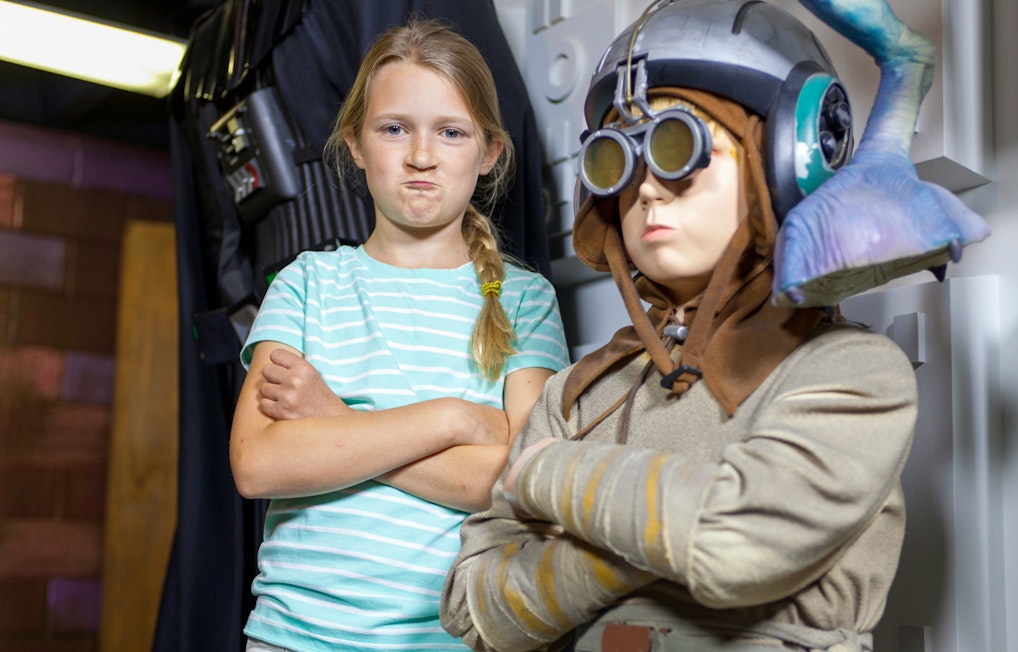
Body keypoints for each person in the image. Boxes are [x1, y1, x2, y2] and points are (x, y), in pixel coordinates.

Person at [440, 2, 920, 651]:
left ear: (780, 158)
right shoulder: (580, 392)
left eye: (675, 148)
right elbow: (474, 612)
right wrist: (647, 536)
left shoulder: (850, 373)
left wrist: (545, 471)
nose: (645, 192)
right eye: (619, 161)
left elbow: (732, 546)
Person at [229, 18, 570, 651]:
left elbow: (523, 489)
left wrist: (333, 421)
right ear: (355, 144)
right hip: (295, 637)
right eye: (394, 129)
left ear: (490, 151)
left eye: (450, 132)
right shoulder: (308, 284)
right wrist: (451, 420)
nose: (420, 155)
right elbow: (258, 463)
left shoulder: (522, 300)